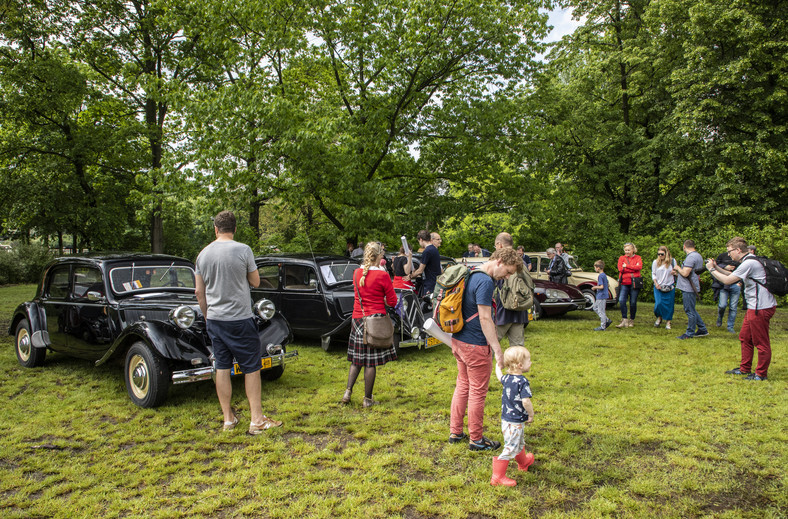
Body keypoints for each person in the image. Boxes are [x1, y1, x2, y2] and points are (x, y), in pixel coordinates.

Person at [195, 210, 282, 434]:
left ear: (215, 229)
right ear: (234, 229)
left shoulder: (202, 255)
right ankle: (256, 420)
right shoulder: (243, 250)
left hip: (215, 318)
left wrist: (207, 316)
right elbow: (254, 281)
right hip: (240, 318)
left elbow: (198, 292)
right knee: (251, 367)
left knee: (222, 367)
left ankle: (228, 419)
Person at [448, 247, 522, 451]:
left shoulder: (472, 272)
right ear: (499, 261)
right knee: (478, 393)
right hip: (475, 345)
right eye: (507, 271)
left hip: (459, 340)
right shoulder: (486, 282)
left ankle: (455, 432)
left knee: (462, 386)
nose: (507, 277)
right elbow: (485, 318)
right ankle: (476, 439)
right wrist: (497, 349)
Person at [708, 237, 776, 381]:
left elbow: (727, 280)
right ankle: (745, 368)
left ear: (738, 250)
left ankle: (760, 374)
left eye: (730, 251)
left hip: (760, 307)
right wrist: (717, 267)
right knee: (745, 337)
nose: (729, 255)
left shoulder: (749, 263)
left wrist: (712, 269)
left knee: (761, 342)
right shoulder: (749, 261)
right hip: (754, 307)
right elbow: (733, 276)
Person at [341, 242, 398, 407]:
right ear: (379, 255)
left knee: (356, 360)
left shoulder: (357, 273)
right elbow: (393, 301)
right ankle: (367, 399)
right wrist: (384, 300)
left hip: (358, 319)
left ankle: (348, 392)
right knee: (370, 362)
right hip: (375, 321)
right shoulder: (383, 275)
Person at [490, 346, 535, 486]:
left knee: (518, 442)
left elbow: (499, 376)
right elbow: (526, 401)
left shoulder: (507, 378)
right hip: (515, 422)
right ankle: (498, 476)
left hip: (506, 420)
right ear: (520, 365)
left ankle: (523, 462)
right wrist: (531, 414)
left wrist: (498, 366)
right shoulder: (522, 382)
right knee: (510, 447)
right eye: (529, 360)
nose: (531, 363)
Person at [493, 233, 530, 347]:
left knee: (489, 347)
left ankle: (490, 365)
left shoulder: (499, 261)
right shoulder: (520, 261)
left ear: (499, 245)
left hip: (501, 311)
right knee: (518, 349)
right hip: (519, 310)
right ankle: (518, 366)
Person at [673, 239, 708, 339]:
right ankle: (702, 329)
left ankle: (689, 333)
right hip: (692, 285)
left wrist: (677, 268)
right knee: (692, 309)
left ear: (684, 246)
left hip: (688, 287)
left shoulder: (691, 257)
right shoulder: (698, 256)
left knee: (689, 310)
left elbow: (685, 273)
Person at [711, 249, 741, 333]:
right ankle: (720, 317)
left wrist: (740, 283)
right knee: (722, 305)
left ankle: (730, 326)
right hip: (724, 284)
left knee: (733, 307)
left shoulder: (740, 258)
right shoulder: (722, 256)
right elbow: (715, 265)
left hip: (736, 285)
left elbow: (745, 270)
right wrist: (725, 266)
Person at [615, 242, 643, 328]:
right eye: (625, 250)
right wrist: (633, 268)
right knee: (622, 300)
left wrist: (626, 266)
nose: (627, 252)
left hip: (634, 283)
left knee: (633, 302)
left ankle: (632, 319)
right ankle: (624, 319)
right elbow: (620, 269)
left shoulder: (638, 258)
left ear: (633, 250)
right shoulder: (621, 258)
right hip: (624, 282)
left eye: (628, 250)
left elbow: (639, 267)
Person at [651, 246, 677, 330]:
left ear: (666, 254)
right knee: (658, 304)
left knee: (669, 305)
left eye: (662, 254)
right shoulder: (655, 262)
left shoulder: (672, 261)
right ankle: (659, 317)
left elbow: (677, 272)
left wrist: (674, 273)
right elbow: (653, 273)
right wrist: (655, 283)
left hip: (669, 286)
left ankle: (668, 322)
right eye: (658, 254)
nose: (660, 256)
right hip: (658, 286)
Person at [591, 260, 612, 331]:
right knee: (595, 307)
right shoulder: (604, 275)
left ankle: (603, 326)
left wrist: (594, 287)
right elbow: (608, 284)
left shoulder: (600, 276)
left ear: (598, 268)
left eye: (595, 267)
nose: (595, 269)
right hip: (603, 295)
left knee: (601, 311)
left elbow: (601, 286)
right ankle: (607, 319)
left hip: (601, 295)